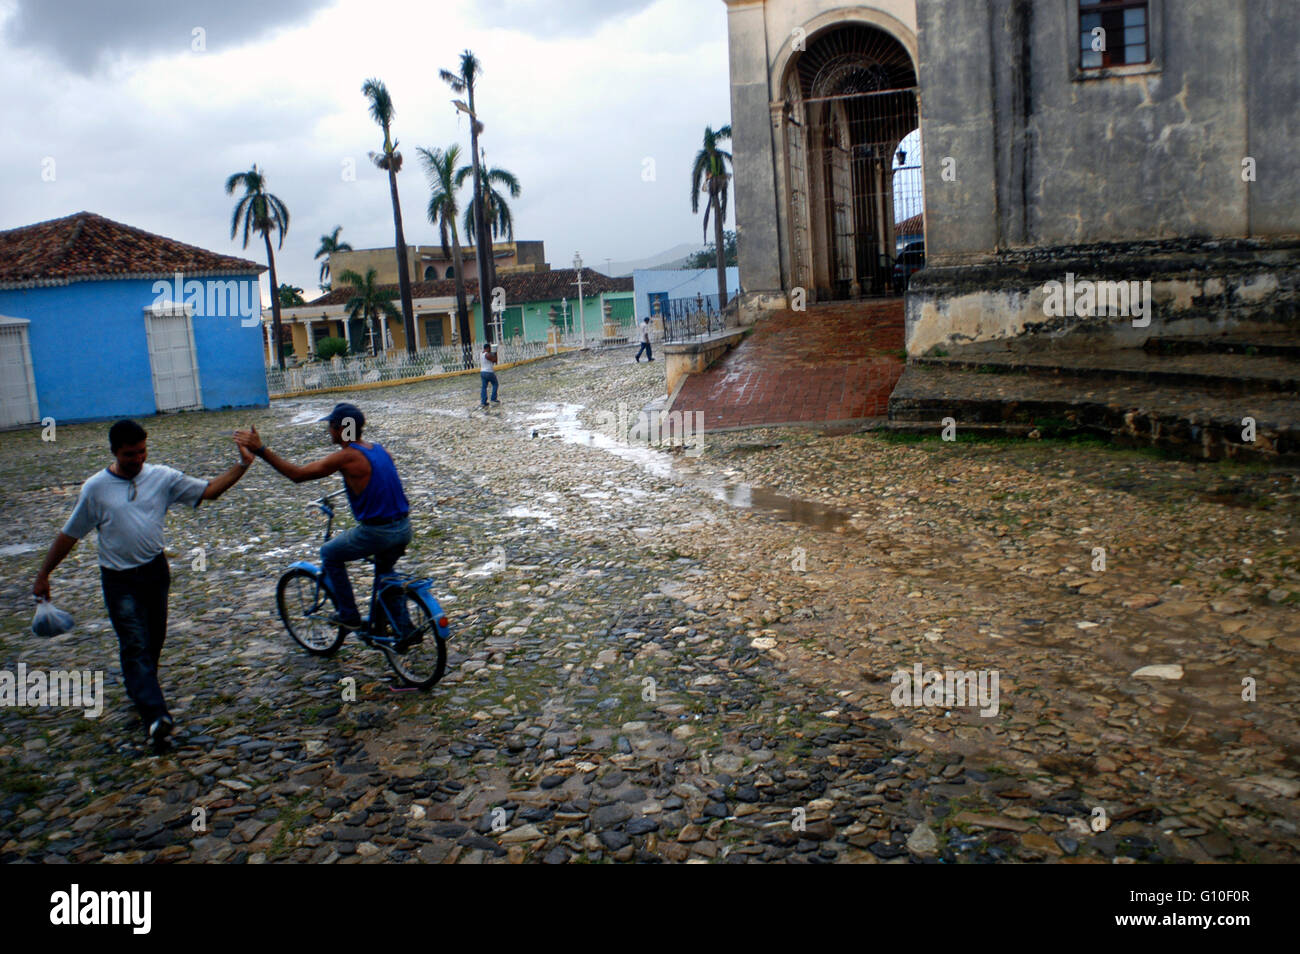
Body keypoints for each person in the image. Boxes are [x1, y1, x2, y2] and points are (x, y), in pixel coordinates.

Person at [32, 419, 255, 749]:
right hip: (118, 579)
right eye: (128, 455)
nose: (136, 459)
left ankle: (139, 687)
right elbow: (70, 533)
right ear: (114, 452)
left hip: (154, 572)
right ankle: (156, 716)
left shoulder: (161, 477)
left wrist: (242, 465)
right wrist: (43, 574)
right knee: (134, 642)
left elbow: (209, 491)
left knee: (153, 640)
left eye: (141, 452)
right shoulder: (96, 489)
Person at [234, 403, 411, 633]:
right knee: (385, 574)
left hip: (378, 532)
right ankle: (397, 626)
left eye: (330, 426)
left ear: (340, 429)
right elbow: (379, 479)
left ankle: (349, 615)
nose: (328, 431)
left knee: (329, 553)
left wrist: (261, 450)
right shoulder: (379, 449)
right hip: (404, 528)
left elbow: (297, 475)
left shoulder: (346, 457)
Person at [480, 342, 499, 407]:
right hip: (489, 372)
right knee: (495, 384)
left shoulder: (481, 354)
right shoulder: (487, 355)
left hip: (482, 372)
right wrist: (495, 353)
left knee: (484, 387)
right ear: (488, 348)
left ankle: (483, 401)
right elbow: (495, 360)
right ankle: (493, 398)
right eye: (490, 348)